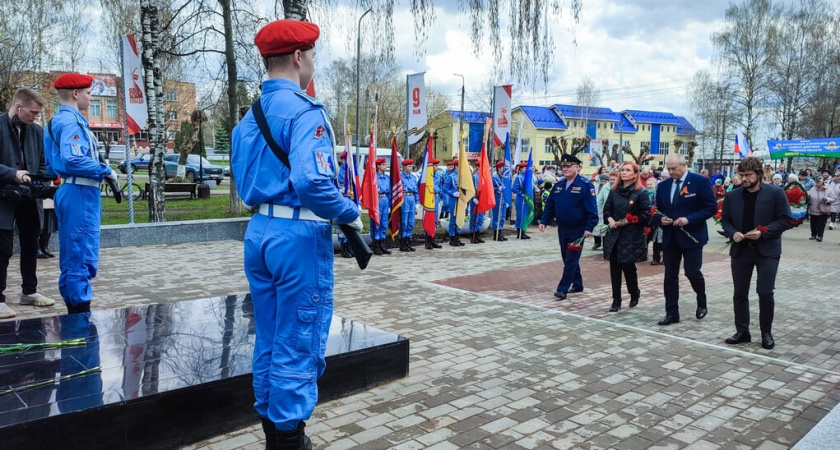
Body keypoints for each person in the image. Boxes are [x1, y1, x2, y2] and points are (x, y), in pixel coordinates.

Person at [231, 19, 362, 449]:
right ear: (299, 56)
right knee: (298, 339)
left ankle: (274, 433)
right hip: (297, 235)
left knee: (269, 337)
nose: (313, 65)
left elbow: (243, 179)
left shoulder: (248, 118)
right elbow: (312, 182)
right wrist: (349, 213)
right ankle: (289, 439)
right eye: (313, 57)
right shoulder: (306, 111)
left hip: (259, 231)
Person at [44, 75, 116, 315]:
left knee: (71, 255)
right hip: (82, 192)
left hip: (68, 190)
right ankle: (79, 318)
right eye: (88, 93)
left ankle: (74, 310)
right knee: (82, 254)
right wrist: (105, 170)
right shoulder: (72, 123)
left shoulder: (54, 122)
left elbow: (52, 163)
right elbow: (73, 159)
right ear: (75, 94)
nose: (91, 97)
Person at [720, 156, 792, 350]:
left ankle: (766, 333)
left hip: (767, 251)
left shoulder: (775, 193)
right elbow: (725, 220)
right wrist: (732, 232)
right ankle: (742, 331)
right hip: (741, 250)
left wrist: (763, 231)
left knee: (765, 292)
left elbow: (786, 219)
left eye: (749, 175)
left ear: (759, 174)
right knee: (740, 293)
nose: (744, 179)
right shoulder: (733, 195)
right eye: (741, 175)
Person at [0, 88, 56, 319]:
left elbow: (42, 163)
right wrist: (12, 174)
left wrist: (41, 181)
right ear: (18, 107)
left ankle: (29, 292)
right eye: (33, 112)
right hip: (3, 199)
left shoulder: (37, 130)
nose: (36, 117)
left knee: (31, 245)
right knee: (2, 249)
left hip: (29, 197)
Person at [652, 154, 717, 326]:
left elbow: (711, 207)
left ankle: (701, 300)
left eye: (674, 168)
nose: (671, 172)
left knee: (692, 272)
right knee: (670, 276)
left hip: (692, 235)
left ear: (684, 165)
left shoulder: (699, 181)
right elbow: (657, 210)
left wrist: (689, 219)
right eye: (669, 169)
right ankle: (671, 312)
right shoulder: (663, 186)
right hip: (670, 237)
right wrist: (661, 219)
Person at [539, 154, 598, 300]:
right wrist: (544, 221)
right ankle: (577, 284)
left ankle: (562, 289)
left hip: (578, 229)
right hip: (563, 228)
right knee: (567, 257)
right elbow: (550, 204)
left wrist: (589, 227)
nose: (565, 169)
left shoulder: (585, 185)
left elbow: (592, 209)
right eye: (563, 166)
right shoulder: (559, 185)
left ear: (577, 167)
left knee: (571, 259)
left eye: (569, 166)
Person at [603, 161, 652, 312]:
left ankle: (634, 292)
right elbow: (607, 209)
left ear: (635, 174)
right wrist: (610, 219)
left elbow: (646, 215)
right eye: (622, 170)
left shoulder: (641, 192)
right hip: (614, 234)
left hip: (631, 234)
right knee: (614, 268)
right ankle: (616, 299)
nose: (624, 172)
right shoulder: (614, 190)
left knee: (628, 267)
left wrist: (628, 221)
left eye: (628, 170)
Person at [371, 157, 391, 255]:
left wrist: (389, 204)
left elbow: (389, 192)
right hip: (377, 200)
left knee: (384, 223)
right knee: (377, 223)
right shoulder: (374, 177)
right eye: (383, 164)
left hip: (385, 200)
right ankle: (376, 245)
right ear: (378, 166)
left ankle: (382, 244)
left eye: (385, 164)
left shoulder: (387, 178)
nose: (385, 166)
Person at [442, 159, 464, 246]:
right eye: (459, 166)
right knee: (453, 219)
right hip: (453, 199)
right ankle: (452, 238)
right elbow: (444, 188)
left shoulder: (463, 177)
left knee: (460, 218)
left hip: (461, 200)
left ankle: (457, 236)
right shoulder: (451, 177)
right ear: (456, 166)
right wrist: (452, 193)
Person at [422, 157, 442, 249]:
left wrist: (438, 194)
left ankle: (432, 238)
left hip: (435, 199)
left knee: (434, 220)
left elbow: (440, 188)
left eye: (437, 166)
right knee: (428, 219)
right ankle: (427, 240)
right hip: (428, 200)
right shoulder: (426, 176)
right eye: (435, 166)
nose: (437, 167)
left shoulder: (438, 176)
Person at [399, 159, 418, 252]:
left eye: (411, 166)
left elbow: (416, 191)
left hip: (412, 198)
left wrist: (417, 202)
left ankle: (408, 241)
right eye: (409, 166)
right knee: (404, 221)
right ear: (404, 167)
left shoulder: (413, 177)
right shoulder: (400, 177)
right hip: (404, 198)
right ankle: (402, 242)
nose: (411, 168)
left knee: (411, 222)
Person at [591, 172, 612, 250]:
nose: (603, 182)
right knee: (596, 227)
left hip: (606, 210)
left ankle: (605, 244)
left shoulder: (609, 187)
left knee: (605, 228)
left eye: (605, 181)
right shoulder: (596, 188)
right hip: (598, 209)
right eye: (602, 181)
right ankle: (597, 242)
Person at [512, 161, 530, 239]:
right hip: (520, 199)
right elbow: (513, 188)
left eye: (527, 168)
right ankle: (519, 233)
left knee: (525, 216)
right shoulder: (519, 177)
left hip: (526, 199)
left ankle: (523, 232)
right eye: (525, 168)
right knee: (520, 216)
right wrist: (521, 193)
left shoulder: (527, 177)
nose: (526, 169)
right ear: (521, 169)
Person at [469, 160, 486, 244]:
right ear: (477, 167)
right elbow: (470, 189)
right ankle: (473, 235)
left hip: (481, 200)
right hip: (475, 200)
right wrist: (473, 198)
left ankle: (478, 234)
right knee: (474, 218)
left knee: (480, 219)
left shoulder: (484, 177)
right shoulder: (474, 177)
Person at [490, 161, 507, 241]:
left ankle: (500, 232)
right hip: (497, 198)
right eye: (503, 167)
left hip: (502, 198)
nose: (504, 169)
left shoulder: (504, 177)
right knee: (497, 216)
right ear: (499, 168)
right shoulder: (494, 177)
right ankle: (496, 234)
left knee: (502, 217)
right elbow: (490, 188)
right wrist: (497, 189)